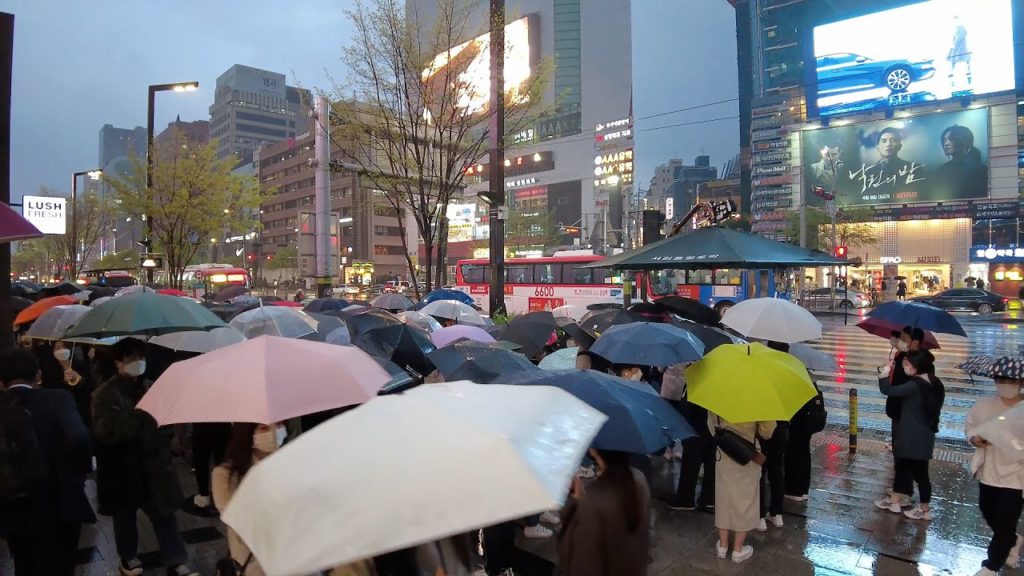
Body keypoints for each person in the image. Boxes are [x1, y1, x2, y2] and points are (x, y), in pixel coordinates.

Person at [91, 338, 199, 576]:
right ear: (118, 363)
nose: (138, 363)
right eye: (132, 359)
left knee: (164, 516)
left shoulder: (151, 387)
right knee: (125, 517)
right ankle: (128, 557)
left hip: (155, 464)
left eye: (141, 358)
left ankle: (176, 560)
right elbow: (108, 432)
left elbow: (165, 422)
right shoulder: (104, 395)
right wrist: (139, 410)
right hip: (123, 467)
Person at [0, 347, 94, 576]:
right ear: (39, 375)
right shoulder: (57, 399)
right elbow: (80, 438)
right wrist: (76, 476)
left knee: (25, 562)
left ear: (2, 383)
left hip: (13, 507)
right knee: (61, 565)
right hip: (59, 503)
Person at [966, 356, 1024, 576]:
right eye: (1001, 379)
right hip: (988, 473)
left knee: (1006, 519)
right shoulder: (983, 406)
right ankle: (1012, 540)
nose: (1006, 385)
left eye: (1011, 380)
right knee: (988, 511)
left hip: (1017, 477)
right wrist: (975, 439)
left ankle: (991, 565)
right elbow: (970, 427)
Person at [558, 449, 651, 576]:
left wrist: (576, 504)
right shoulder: (639, 480)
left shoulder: (594, 500)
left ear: (595, 453)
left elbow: (582, 561)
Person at [211, 422, 287, 575]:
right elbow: (238, 521)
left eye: (279, 424)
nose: (274, 431)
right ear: (247, 434)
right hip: (254, 561)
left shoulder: (291, 462)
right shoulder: (225, 475)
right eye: (264, 427)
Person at [877, 350, 944, 521]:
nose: (904, 367)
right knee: (906, 468)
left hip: (910, 435)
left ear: (917, 366)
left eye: (907, 365)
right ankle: (895, 501)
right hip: (925, 435)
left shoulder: (914, 385)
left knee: (916, 472)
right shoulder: (935, 383)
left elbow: (887, 390)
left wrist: (885, 371)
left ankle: (924, 509)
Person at [711, 411, 775, 564]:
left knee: (723, 497)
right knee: (745, 500)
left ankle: (723, 545)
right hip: (747, 455)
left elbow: (711, 426)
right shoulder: (758, 397)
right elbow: (768, 432)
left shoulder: (717, 394)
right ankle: (738, 549)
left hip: (724, 453)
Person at [862, 128, 926, 203]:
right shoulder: (867, 173)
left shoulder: (915, 169)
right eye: (884, 141)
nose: (888, 144)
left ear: (900, 146)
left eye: (893, 140)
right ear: (877, 147)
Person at [935, 125, 987, 200]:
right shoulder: (941, 170)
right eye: (944, 140)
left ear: (964, 141)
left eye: (951, 139)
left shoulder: (981, 169)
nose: (946, 144)